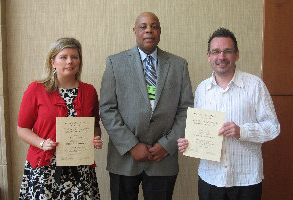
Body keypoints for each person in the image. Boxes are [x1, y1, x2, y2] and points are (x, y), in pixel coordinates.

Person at [177, 28, 280, 200]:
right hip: (210, 178)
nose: (221, 57)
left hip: (246, 180)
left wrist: (243, 131)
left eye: (227, 51)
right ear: (208, 55)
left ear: (237, 55)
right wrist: (188, 143)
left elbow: (273, 127)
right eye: (216, 52)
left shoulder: (255, 85)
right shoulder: (202, 89)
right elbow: (198, 130)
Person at [100, 12, 194, 200]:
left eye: (154, 26)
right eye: (143, 26)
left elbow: (186, 111)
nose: (149, 30)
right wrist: (131, 145)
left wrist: (167, 145)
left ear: (160, 31)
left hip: (163, 158)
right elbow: (107, 108)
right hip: (124, 158)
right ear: (135, 31)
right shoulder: (115, 63)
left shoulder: (178, 65)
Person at [17, 38, 103, 200]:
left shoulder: (89, 91)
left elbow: (94, 125)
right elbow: (22, 129)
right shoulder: (36, 89)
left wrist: (96, 138)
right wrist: (42, 143)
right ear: (53, 62)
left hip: (80, 169)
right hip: (45, 169)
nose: (70, 61)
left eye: (75, 57)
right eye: (63, 57)